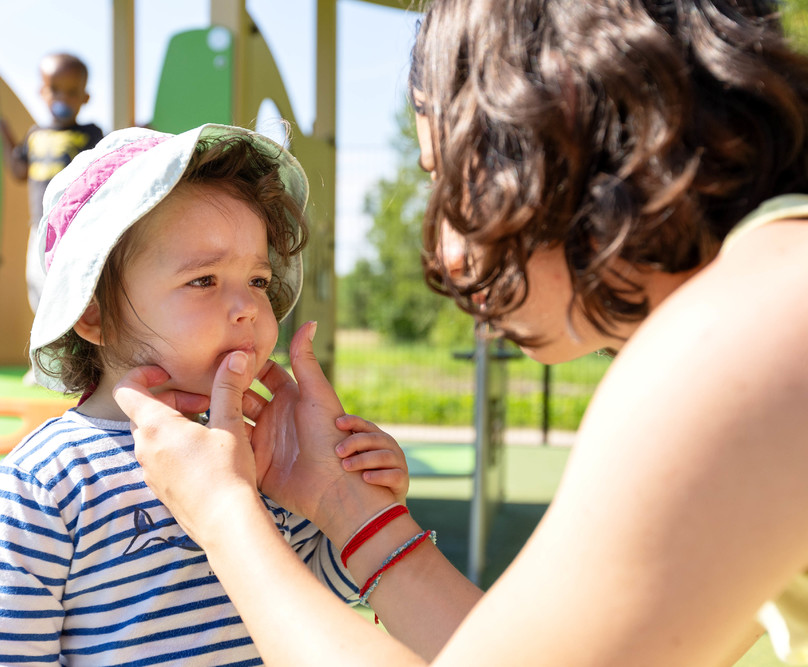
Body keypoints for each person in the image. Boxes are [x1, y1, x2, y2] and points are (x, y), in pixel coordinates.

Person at [111, 0, 808, 665]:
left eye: (448, 175)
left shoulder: (743, 334)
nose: (446, 252)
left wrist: (224, 514)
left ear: (551, 113)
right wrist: (338, 501)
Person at [0, 124, 409, 666]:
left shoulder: (265, 450)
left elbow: (311, 601)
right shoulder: (45, 484)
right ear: (93, 313)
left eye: (260, 281)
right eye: (204, 280)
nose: (247, 307)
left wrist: (358, 505)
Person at [0, 52, 104, 312]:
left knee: (75, 282)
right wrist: (4, 134)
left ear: (85, 97)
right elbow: (19, 170)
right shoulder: (35, 135)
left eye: (71, 91)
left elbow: (106, 165)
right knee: (37, 281)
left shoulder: (90, 133)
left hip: (74, 225)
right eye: (55, 90)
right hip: (40, 227)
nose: (62, 98)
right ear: (42, 91)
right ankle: (47, 341)